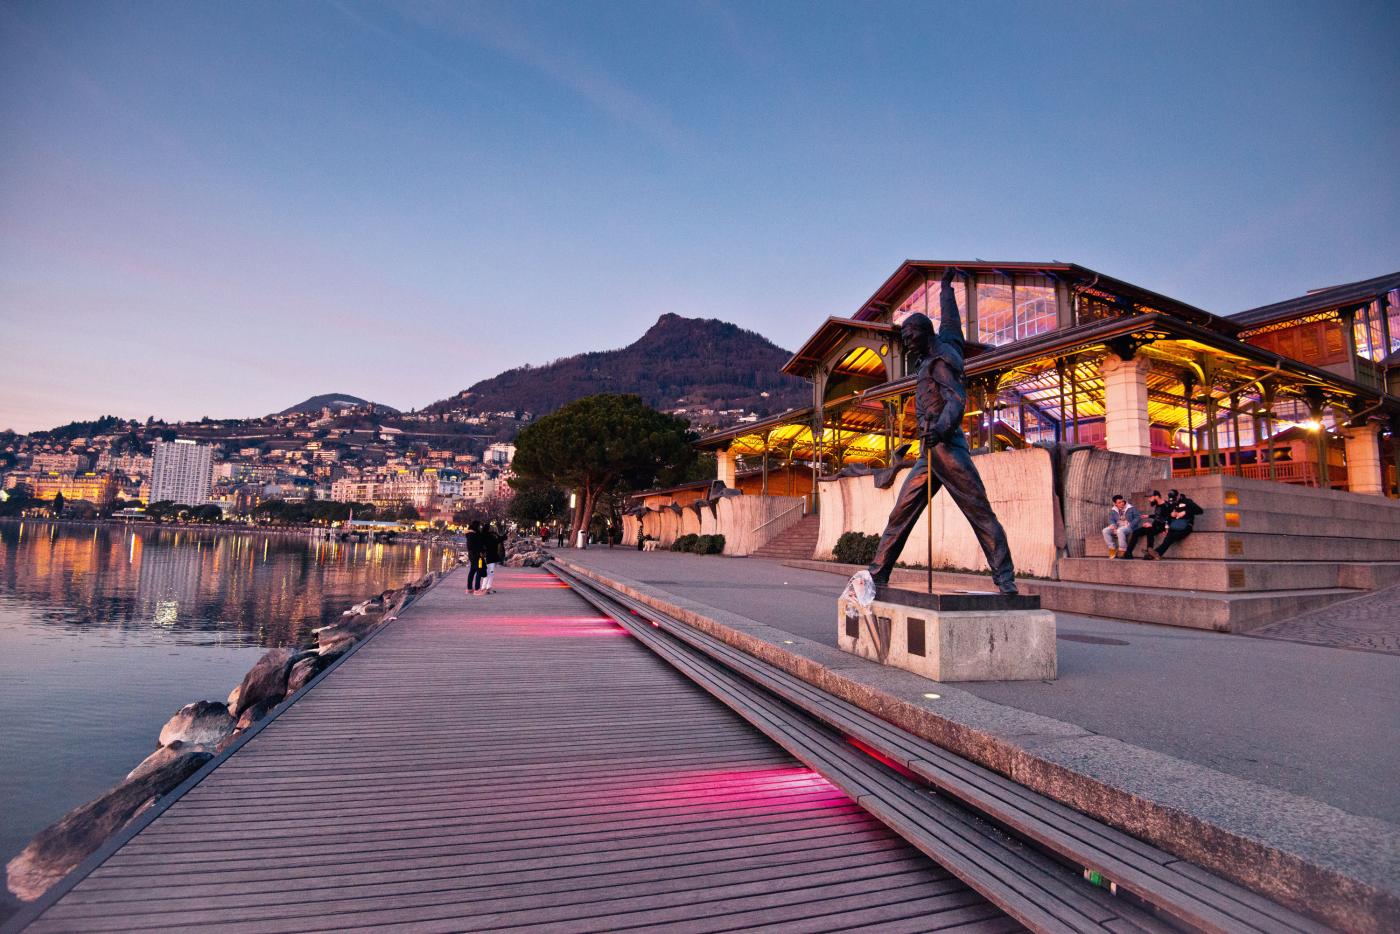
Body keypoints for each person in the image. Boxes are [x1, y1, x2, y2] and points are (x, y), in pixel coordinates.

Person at [866, 267, 1018, 595]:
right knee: (901, 513)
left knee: (979, 513)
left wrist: (940, 430)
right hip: (928, 454)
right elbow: (951, 322)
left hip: (946, 448)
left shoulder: (939, 360)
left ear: (923, 333)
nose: (906, 343)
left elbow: (956, 399)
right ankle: (875, 575)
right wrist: (947, 288)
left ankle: (1005, 580)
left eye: (909, 336)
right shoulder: (947, 341)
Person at [1148, 492, 1202, 559]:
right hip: (1175, 525)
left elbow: (1200, 510)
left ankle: (1155, 553)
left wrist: (1185, 512)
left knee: (1170, 537)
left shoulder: (1188, 501)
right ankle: (1155, 554)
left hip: (1186, 526)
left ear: (1178, 496)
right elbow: (1167, 517)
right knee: (1168, 536)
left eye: (1174, 499)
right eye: (1172, 500)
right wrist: (1171, 515)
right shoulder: (1172, 503)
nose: (1173, 501)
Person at [1124, 490, 1170, 559]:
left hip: (1161, 526)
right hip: (1155, 525)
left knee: (1149, 530)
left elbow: (1167, 518)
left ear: (1156, 496)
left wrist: (1152, 525)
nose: (1149, 499)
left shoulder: (1167, 505)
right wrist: (1148, 516)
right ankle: (1128, 552)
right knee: (1136, 532)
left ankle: (1149, 553)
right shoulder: (1158, 504)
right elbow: (1158, 515)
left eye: (1150, 497)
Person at [1101, 494, 1139, 559]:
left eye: (1122, 501)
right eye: (1119, 502)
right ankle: (1112, 549)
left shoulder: (1131, 508)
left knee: (1120, 530)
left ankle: (1122, 550)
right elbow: (1111, 519)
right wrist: (1113, 525)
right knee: (1105, 531)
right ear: (1115, 504)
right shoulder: (1114, 510)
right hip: (1118, 526)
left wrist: (1130, 524)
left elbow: (1137, 517)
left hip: (1129, 527)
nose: (1122, 503)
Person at [464, 520, 487, 595]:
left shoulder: (469, 534)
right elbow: (479, 545)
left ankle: (469, 588)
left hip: (471, 555)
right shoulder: (475, 535)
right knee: (479, 571)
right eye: (479, 526)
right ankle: (477, 590)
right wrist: (483, 551)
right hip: (477, 556)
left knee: (472, 571)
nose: (479, 528)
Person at [481, 521, 503, 594]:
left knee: (487, 572)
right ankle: (487, 588)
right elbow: (497, 541)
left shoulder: (483, 536)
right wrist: (497, 535)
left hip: (485, 556)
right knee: (490, 572)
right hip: (491, 556)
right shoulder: (491, 537)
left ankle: (484, 587)